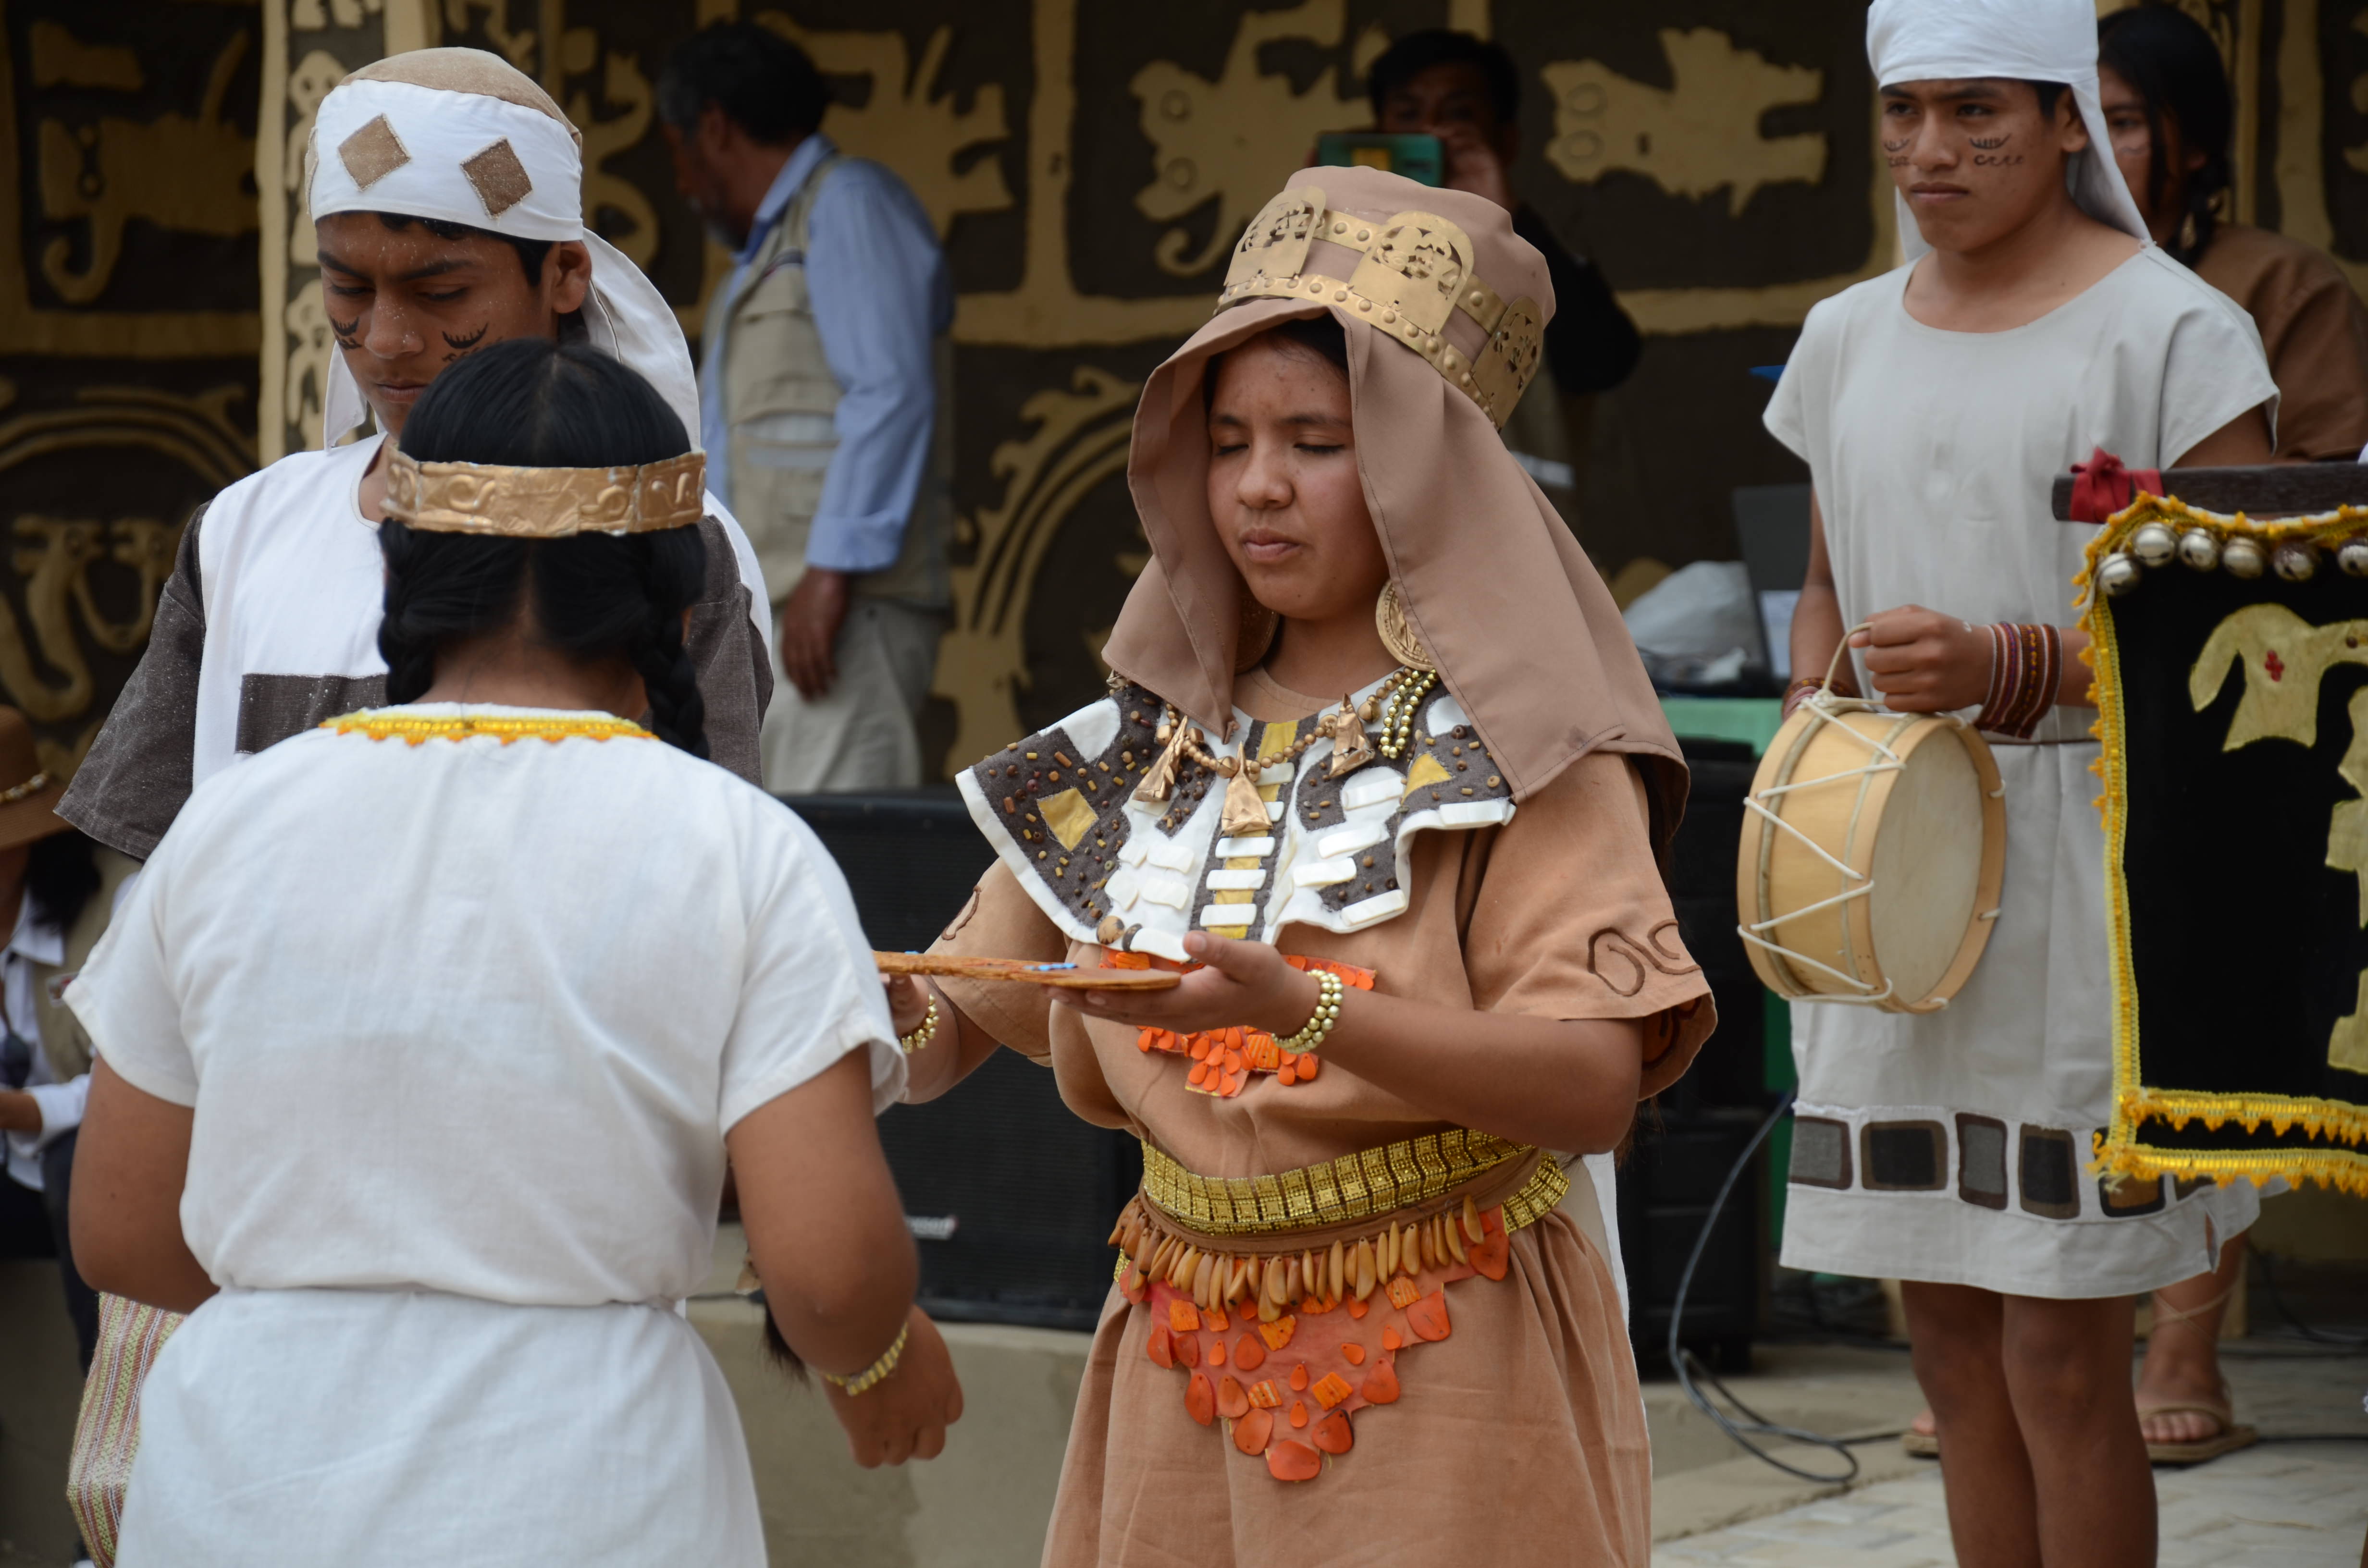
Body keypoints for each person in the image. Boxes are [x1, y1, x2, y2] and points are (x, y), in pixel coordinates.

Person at [889, 164, 1712, 1564]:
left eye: (1314, 439)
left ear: (1417, 463)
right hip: (1174, 1341)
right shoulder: (1141, 741)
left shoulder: (1527, 750)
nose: (1258, 485)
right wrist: (788, 1017)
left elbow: (1588, 1085)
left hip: (1450, 1337)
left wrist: (1298, 1007)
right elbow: (947, 1016)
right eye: (1227, 439)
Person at [64, 338, 962, 1567]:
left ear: (406, 568)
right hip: (583, 1487)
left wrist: (335, 1316)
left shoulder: (228, 823)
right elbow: (826, 1264)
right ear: (678, 600)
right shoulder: (740, 851)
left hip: (246, 1481)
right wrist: (882, 1360)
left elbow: (121, 1231)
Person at [1767, 1, 2279, 1564]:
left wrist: (2014, 662)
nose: (1929, 150)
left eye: (1972, 109)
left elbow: (2246, 633)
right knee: (1939, 1341)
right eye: (1903, 111)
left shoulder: (2171, 333)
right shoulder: (1843, 333)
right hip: (1878, 871)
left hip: (2085, 873)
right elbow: (1820, 585)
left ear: (2064, 117)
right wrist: (1806, 750)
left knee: (2062, 1355)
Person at [60, 46, 777, 866]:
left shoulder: (662, 529)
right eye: (349, 291)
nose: (389, 342)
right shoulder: (242, 531)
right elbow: (146, 867)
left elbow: (713, 877)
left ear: (565, 275)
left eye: (443, 296)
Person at [660, 24, 953, 794]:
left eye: (680, 154)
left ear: (715, 128)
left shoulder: (846, 204)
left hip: (840, 613)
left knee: (842, 861)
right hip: (787, 613)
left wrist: (831, 573)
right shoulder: (766, 254)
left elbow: (889, 391)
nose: (686, 186)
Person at [1366, 29, 1642, 527]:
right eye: (1407, 115)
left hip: (1519, 546)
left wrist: (1503, 225)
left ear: (1506, 139)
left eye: (1458, 115)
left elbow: (1602, 361)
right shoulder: (1343, 247)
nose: (1430, 132)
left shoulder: (1535, 253)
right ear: (1376, 133)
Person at [2100, 5, 2368, 463]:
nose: (2094, 150)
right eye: (2080, 123)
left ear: (2197, 145)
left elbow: (2327, 486)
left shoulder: (2286, 282)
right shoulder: (2018, 275)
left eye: (2124, 122)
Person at [0, 709, 135, 1568]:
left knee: (72, 1158)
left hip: (85, 1166)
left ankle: (107, 1505)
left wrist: (25, 1112)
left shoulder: (116, 901)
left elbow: (148, 1083)